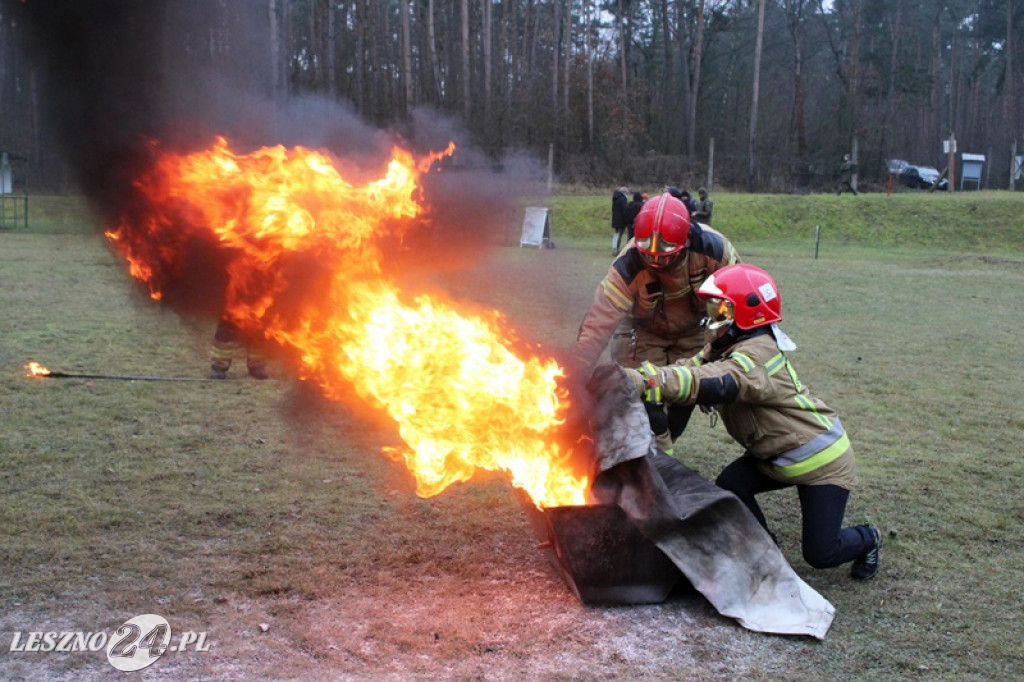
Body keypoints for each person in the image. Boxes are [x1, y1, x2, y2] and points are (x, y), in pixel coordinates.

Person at [621, 263, 881, 581]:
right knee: (731, 487)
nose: (710, 317)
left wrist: (647, 381)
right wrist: (647, 377)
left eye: (719, 310)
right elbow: (691, 370)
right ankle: (766, 550)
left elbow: (717, 382)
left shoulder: (758, 356)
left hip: (820, 461)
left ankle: (869, 538)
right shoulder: (724, 347)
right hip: (774, 456)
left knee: (821, 554)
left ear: (747, 313)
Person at [570, 192, 740, 455]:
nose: (655, 261)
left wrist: (718, 354)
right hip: (644, 335)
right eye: (648, 255)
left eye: (665, 256)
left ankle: (664, 452)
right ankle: (645, 456)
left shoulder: (714, 250)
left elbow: (737, 302)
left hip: (694, 334)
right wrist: (574, 376)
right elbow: (596, 326)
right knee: (644, 399)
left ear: (685, 242)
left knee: (684, 397)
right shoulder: (626, 265)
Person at [611, 186, 630, 255]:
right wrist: (627, 219)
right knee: (619, 234)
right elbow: (624, 210)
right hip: (621, 220)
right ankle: (616, 249)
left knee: (616, 234)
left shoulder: (615, 198)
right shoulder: (623, 199)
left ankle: (614, 248)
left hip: (615, 219)